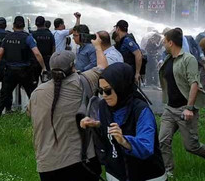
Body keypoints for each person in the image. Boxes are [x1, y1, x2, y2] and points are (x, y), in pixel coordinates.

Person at [28, 34, 107, 181]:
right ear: (73, 66)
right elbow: (103, 67)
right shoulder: (83, 81)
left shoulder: (37, 93)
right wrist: (97, 46)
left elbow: (31, 115)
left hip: (47, 164)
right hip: (80, 161)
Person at [81, 63, 166, 181]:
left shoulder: (141, 110)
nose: (104, 96)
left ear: (121, 87)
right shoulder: (103, 106)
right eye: (100, 91)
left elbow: (147, 146)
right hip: (116, 173)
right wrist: (96, 124)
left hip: (146, 175)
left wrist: (124, 141)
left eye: (108, 91)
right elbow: (108, 129)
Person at [158, 28, 205, 178]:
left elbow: (194, 83)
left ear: (171, 43)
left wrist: (189, 108)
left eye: (165, 42)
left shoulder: (188, 59)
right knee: (163, 141)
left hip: (185, 109)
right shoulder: (168, 59)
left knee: (192, 146)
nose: (163, 45)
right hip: (170, 109)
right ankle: (168, 171)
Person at [0, 16, 47, 115]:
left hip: (10, 70)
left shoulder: (7, 37)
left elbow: (0, 54)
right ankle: (37, 114)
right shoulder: (28, 37)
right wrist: (43, 67)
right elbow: (37, 53)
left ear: (13, 25)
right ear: (23, 26)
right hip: (25, 70)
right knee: (32, 93)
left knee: (4, 93)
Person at [31, 16, 55, 88]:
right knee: (47, 83)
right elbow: (53, 48)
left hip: (35, 61)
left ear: (36, 24)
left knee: (34, 83)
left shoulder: (32, 34)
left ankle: (35, 97)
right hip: (47, 61)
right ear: (44, 23)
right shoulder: (50, 34)